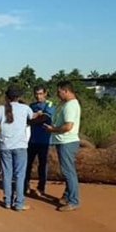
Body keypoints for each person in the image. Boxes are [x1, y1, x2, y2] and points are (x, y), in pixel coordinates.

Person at [0, 86, 34, 211]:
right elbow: (33, 117)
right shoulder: (25, 108)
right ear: (18, 97)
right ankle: (19, 203)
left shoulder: (0, 109)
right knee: (19, 175)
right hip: (20, 146)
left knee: (7, 174)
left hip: (5, 146)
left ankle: (7, 201)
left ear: (6, 97)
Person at [44, 80, 81, 212]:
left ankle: (73, 201)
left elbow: (68, 126)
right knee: (67, 170)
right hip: (64, 141)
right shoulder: (67, 104)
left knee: (68, 171)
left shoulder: (70, 105)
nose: (58, 94)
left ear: (65, 91)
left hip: (67, 141)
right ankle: (67, 196)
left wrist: (52, 130)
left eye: (59, 91)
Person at [25, 85, 55, 197]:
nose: (38, 96)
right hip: (31, 140)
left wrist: (32, 120)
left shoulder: (49, 104)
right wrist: (32, 119)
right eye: (36, 94)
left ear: (45, 93)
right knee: (27, 164)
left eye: (41, 93)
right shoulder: (31, 105)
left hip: (44, 140)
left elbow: (45, 118)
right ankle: (25, 185)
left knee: (42, 165)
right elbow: (26, 118)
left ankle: (41, 188)